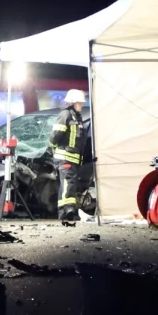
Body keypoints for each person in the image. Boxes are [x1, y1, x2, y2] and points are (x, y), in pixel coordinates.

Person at [50, 88, 88, 222]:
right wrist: (57, 151)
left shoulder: (76, 117)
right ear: (72, 102)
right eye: (79, 102)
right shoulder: (65, 115)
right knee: (68, 182)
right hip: (65, 156)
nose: (81, 105)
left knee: (66, 184)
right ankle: (69, 209)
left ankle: (63, 213)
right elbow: (54, 137)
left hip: (73, 158)